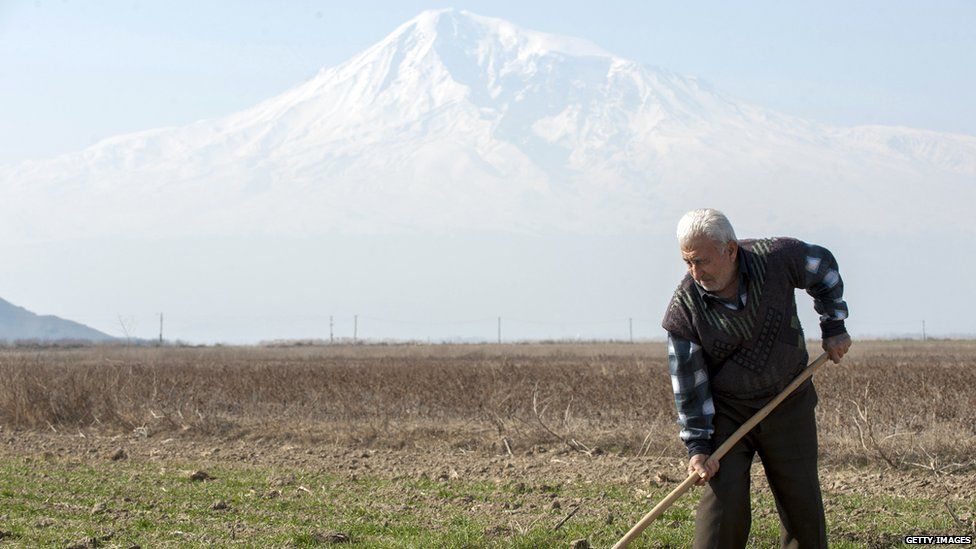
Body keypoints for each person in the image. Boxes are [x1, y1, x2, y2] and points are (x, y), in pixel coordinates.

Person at [661, 208, 851, 549]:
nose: (695, 271)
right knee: (723, 506)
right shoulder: (685, 308)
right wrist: (699, 447)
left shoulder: (777, 258)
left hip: (788, 398)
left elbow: (824, 269)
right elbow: (688, 384)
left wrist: (834, 325)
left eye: (701, 261)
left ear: (730, 250)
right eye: (687, 262)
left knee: (801, 507)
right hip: (728, 412)